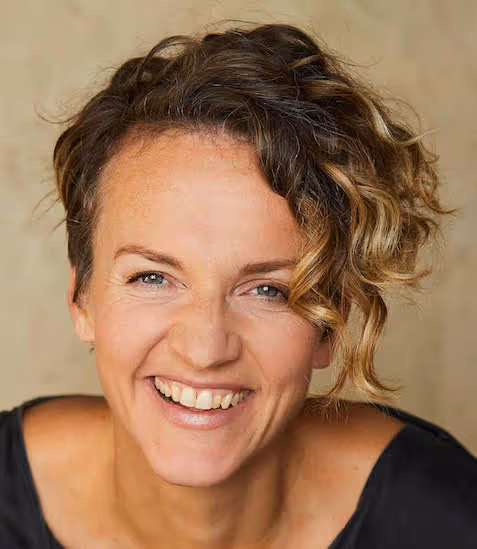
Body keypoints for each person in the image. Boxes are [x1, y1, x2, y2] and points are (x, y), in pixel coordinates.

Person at [1, 20, 476, 549]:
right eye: (153, 277)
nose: (206, 350)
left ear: (329, 325)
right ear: (81, 299)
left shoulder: (443, 520)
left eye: (268, 290)